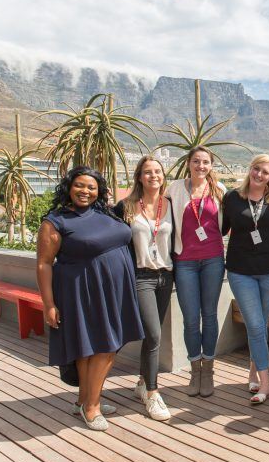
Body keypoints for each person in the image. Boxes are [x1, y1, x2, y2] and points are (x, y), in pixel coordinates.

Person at [37, 166, 143, 431]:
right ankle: (92, 407)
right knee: (101, 346)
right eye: (79, 186)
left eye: (91, 187)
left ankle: (84, 400)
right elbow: (44, 264)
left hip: (115, 291)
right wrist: (49, 304)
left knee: (94, 348)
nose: (85, 191)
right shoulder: (56, 220)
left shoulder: (105, 212)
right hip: (81, 291)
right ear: (68, 187)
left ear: (99, 191)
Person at [114, 156, 173, 421]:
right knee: (154, 335)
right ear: (139, 176)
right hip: (140, 277)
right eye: (147, 172)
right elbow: (110, 239)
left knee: (152, 337)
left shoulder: (170, 204)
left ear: (163, 175)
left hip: (165, 277)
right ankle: (152, 393)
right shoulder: (125, 207)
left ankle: (141, 382)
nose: (153, 176)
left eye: (157, 171)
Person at [166, 145, 227, 397]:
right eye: (196, 161)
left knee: (209, 316)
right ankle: (195, 371)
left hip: (213, 259)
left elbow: (228, 223)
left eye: (205, 162)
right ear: (188, 163)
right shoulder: (175, 188)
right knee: (191, 319)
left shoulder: (220, 190)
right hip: (185, 262)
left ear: (211, 165)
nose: (201, 166)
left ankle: (209, 371)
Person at [222, 154, 269, 405]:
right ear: (250, 169)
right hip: (240, 270)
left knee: (259, 324)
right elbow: (221, 229)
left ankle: (253, 371)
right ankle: (267, 384)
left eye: (265, 172)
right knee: (256, 326)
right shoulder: (232, 198)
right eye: (256, 169)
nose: (259, 174)